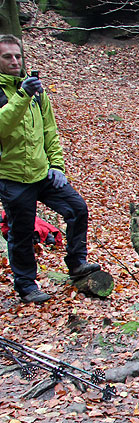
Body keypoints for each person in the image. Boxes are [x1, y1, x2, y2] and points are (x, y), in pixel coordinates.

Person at [0, 34, 102, 304]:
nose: (14, 61)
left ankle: (77, 262)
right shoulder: (15, 92)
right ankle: (26, 286)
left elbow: (49, 130)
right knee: (21, 233)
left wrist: (56, 164)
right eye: (7, 56)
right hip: (12, 176)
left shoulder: (35, 91)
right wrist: (22, 95)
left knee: (77, 208)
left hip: (42, 172)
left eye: (17, 56)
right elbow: (2, 127)